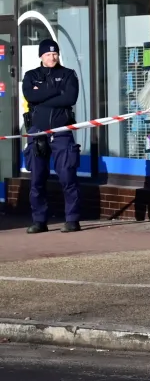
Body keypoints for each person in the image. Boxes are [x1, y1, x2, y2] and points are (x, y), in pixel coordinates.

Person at [22, 38, 81, 234]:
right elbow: (31, 96)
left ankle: (72, 220)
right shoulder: (31, 76)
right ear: (41, 56)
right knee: (37, 179)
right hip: (37, 132)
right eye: (48, 54)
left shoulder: (68, 74)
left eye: (54, 53)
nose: (52, 57)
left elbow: (70, 98)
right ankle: (39, 221)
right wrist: (56, 91)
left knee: (67, 177)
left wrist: (44, 96)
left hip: (61, 132)